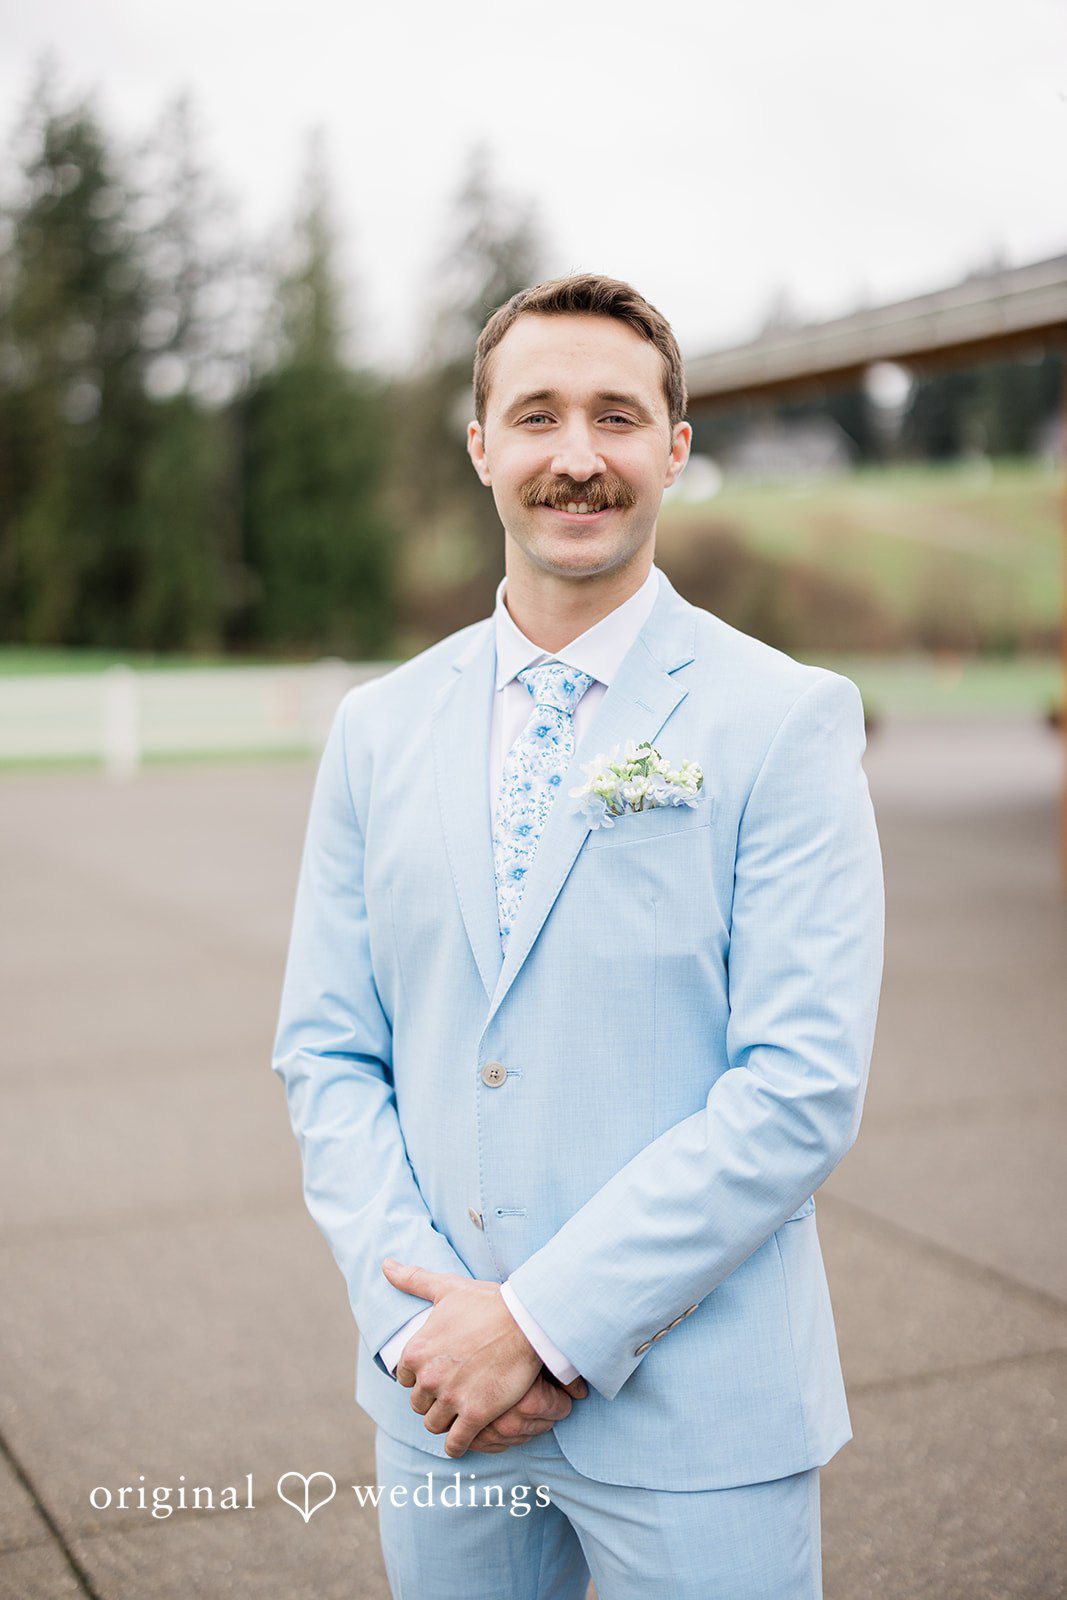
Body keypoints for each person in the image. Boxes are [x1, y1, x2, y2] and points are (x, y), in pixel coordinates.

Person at [271, 273, 885, 1599]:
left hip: (701, 1414)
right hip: (440, 1401)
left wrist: (542, 1327)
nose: (577, 455)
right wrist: (418, 1327)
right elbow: (327, 1054)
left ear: (673, 447)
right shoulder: (377, 731)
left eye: (617, 416)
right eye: (536, 414)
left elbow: (799, 1089)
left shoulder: (784, 719)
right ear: (481, 444)